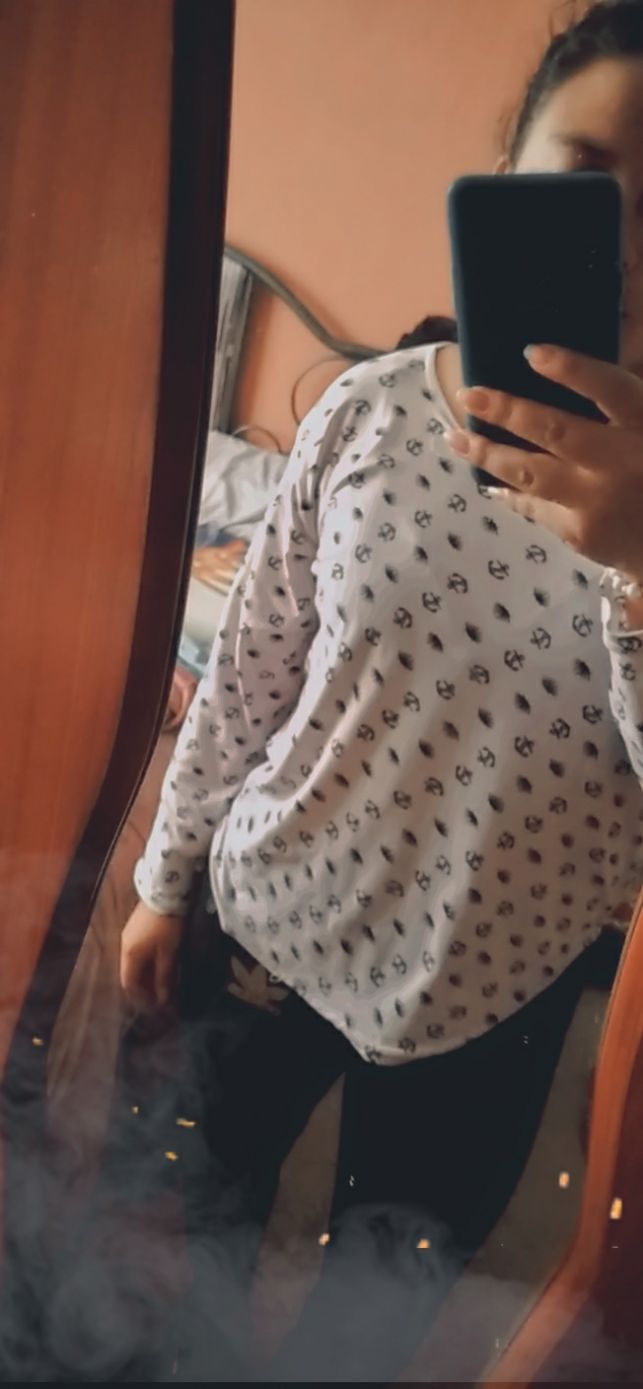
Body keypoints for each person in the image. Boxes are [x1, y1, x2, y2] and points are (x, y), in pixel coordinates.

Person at [120, 0, 643, 1379]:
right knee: (198, 1228)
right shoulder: (371, 411)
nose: (627, 253)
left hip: (487, 1007)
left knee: (372, 1321)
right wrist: (164, 878)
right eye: (587, 187)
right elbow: (250, 670)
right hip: (271, 920)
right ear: (504, 180)